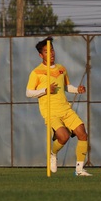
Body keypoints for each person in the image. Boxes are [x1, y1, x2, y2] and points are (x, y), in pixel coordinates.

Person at [26, 37, 91, 176]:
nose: (51, 54)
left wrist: (76, 89)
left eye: (52, 50)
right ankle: (53, 153)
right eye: (46, 52)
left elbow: (66, 87)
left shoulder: (61, 68)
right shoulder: (36, 72)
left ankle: (79, 170)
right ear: (41, 55)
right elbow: (28, 92)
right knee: (64, 137)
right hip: (50, 112)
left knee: (82, 133)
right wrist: (45, 90)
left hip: (65, 109)